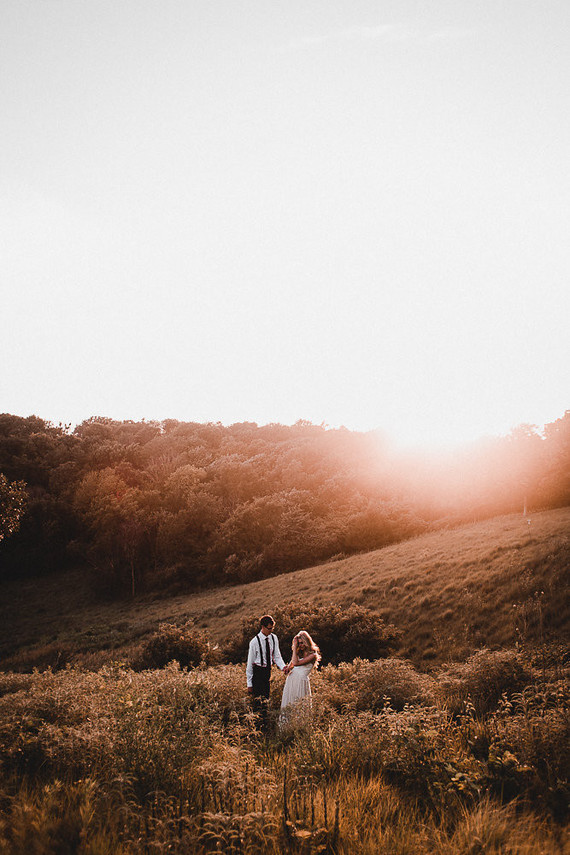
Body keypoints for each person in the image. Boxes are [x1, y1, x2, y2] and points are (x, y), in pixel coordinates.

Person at [246, 614, 288, 731]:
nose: (271, 631)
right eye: (269, 628)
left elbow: (277, 656)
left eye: (272, 628)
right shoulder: (254, 642)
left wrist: (283, 667)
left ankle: (264, 726)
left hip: (267, 672)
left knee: (266, 700)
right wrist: (249, 684)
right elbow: (250, 664)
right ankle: (255, 728)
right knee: (257, 702)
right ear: (263, 627)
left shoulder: (274, 638)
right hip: (257, 673)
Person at [280, 630, 321, 725]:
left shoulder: (313, 655)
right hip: (292, 681)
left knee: (300, 705)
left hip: (301, 682)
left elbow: (296, 663)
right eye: (299, 643)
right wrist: (287, 669)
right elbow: (291, 666)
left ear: (307, 641)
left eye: (302, 643)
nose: (300, 645)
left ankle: (300, 728)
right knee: (289, 703)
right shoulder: (298, 654)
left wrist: (294, 648)